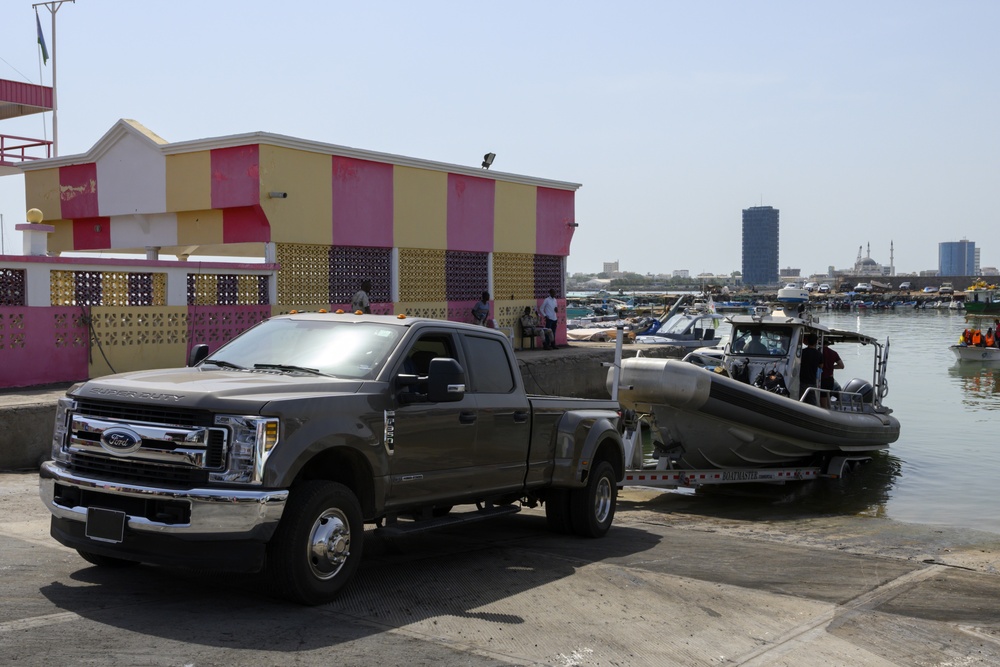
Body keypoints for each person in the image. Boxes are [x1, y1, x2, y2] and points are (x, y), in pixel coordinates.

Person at [799, 332, 822, 406]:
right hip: (812, 381)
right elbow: (821, 366)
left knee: (801, 400)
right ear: (816, 342)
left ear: (807, 341)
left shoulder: (802, 352)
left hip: (802, 380)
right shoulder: (818, 354)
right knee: (812, 401)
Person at [820, 339, 844, 409]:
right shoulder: (834, 353)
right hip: (830, 380)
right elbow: (841, 366)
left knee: (822, 402)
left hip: (822, 379)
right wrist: (831, 367)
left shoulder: (819, 351)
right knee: (828, 401)